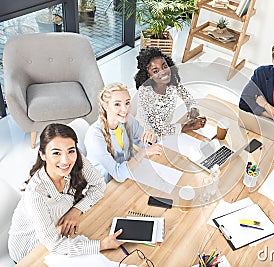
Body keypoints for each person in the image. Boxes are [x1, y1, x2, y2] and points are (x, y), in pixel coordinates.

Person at [8, 123, 123, 263]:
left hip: (59, 233)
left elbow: (99, 185)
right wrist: (102, 245)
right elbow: (54, 245)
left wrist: (76, 210)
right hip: (30, 252)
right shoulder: (36, 194)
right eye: (56, 152)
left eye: (71, 151)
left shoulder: (75, 158)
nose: (66, 160)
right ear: (43, 155)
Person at [84, 82, 163, 183]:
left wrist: (153, 138)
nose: (125, 109)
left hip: (128, 175)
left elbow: (151, 144)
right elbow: (118, 174)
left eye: (127, 103)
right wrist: (143, 153)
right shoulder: (94, 135)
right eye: (117, 104)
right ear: (105, 106)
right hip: (105, 186)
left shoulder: (127, 120)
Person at [135, 47, 206, 136]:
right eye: (155, 71)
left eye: (165, 66)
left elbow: (188, 97)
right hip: (145, 134)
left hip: (168, 129)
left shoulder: (173, 81)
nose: (163, 72)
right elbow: (159, 128)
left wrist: (193, 108)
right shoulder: (145, 93)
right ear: (148, 75)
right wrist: (190, 127)